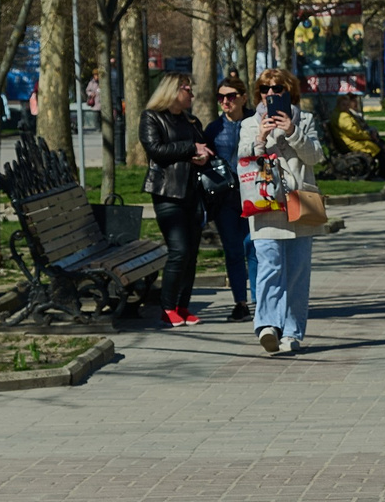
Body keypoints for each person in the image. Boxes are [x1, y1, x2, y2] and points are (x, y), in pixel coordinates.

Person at [241, 68, 326, 356]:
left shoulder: (305, 120)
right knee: (269, 264)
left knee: (298, 272)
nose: (270, 94)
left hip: (301, 199)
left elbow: (316, 157)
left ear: (289, 92)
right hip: (266, 202)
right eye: (265, 89)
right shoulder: (250, 123)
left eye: (277, 89)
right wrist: (260, 140)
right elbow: (242, 159)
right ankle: (267, 325)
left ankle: (291, 332)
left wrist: (292, 131)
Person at [139, 73, 222, 327]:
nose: (192, 94)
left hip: (193, 192)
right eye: (187, 89)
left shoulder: (191, 121)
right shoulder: (151, 117)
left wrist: (203, 155)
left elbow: (204, 148)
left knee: (192, 254)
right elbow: (156, 150)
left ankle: (182, 306)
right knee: (179, 250)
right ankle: (167, 307)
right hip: (167, 192)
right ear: (174, 90)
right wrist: (191, 148)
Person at [203, 76, 254, 321]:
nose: (225, 101)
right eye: (221, 97)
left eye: (231, 96)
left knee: (254, 248)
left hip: (255, 196)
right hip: (225, 200)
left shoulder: (256, 122)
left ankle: (261, 301)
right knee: (233, 251)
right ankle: (240, 303)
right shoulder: (214, 129)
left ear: (243, 98)